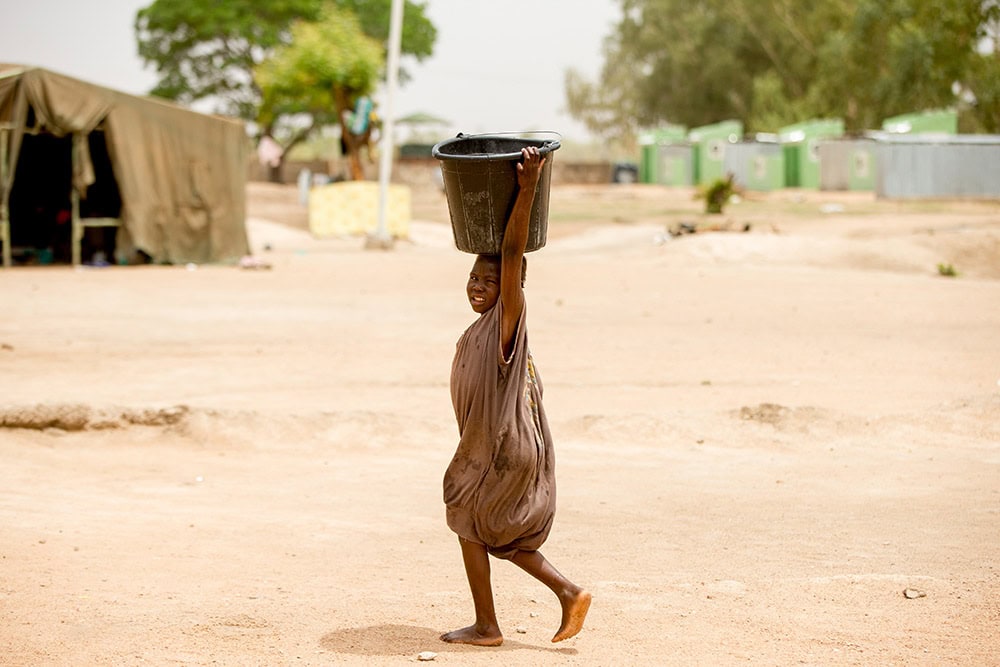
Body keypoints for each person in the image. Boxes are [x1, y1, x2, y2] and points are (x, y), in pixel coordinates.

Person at [441, 146, 591, 647]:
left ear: (512, 288)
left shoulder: (508, 323)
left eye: (491, 281)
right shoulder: (479, 329)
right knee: (481, 527)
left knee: (475, 520)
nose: (479, 286)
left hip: (504, 451)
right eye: (473, 278)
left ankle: (499, 621)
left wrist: (525, 189)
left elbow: (510, 255)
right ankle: (559, 596)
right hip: (492, 449)